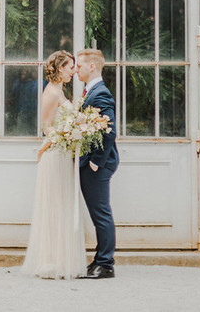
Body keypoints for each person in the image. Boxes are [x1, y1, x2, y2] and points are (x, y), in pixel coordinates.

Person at [22, 50, 87, 279]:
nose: (73, 71)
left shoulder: (60, 90)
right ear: (60, 68)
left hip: (63, 154)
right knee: (55, 206)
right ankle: (50, 262)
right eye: (70, 67)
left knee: (63, 205)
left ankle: (62, 260)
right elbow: (46, 126)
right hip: (54, 154)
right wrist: (65, 136)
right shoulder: (50, 92)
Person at [75, 48, 119, 279]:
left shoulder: (100, 93)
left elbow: (109, 130)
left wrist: (95, 162)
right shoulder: (90, 92)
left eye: (79, 66)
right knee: (97, 213)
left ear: (91, 66)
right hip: (92, 163)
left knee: (101, 213)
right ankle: (99, 260)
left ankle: (105, 264)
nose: (76, 70)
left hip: (98, 165)